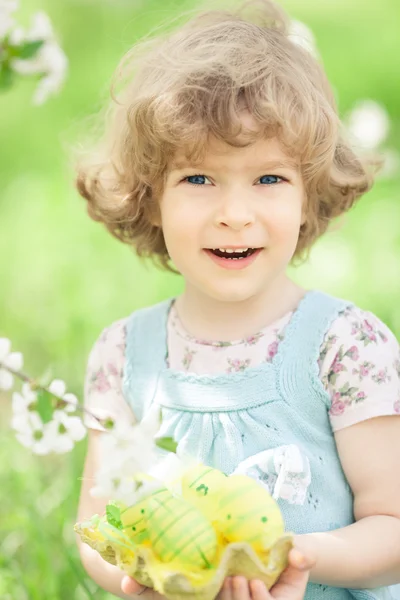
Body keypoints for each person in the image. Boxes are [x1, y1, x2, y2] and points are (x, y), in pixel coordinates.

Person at [75, 1, 400, 599]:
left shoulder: (345, 347)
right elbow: (100, 520)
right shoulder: (124, 355)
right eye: (198, 179)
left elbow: (393, 527)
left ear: (309, 196)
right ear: (151, 199)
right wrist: (139, 576)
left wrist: (299, 556)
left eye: (269, 179)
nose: (234, 214)